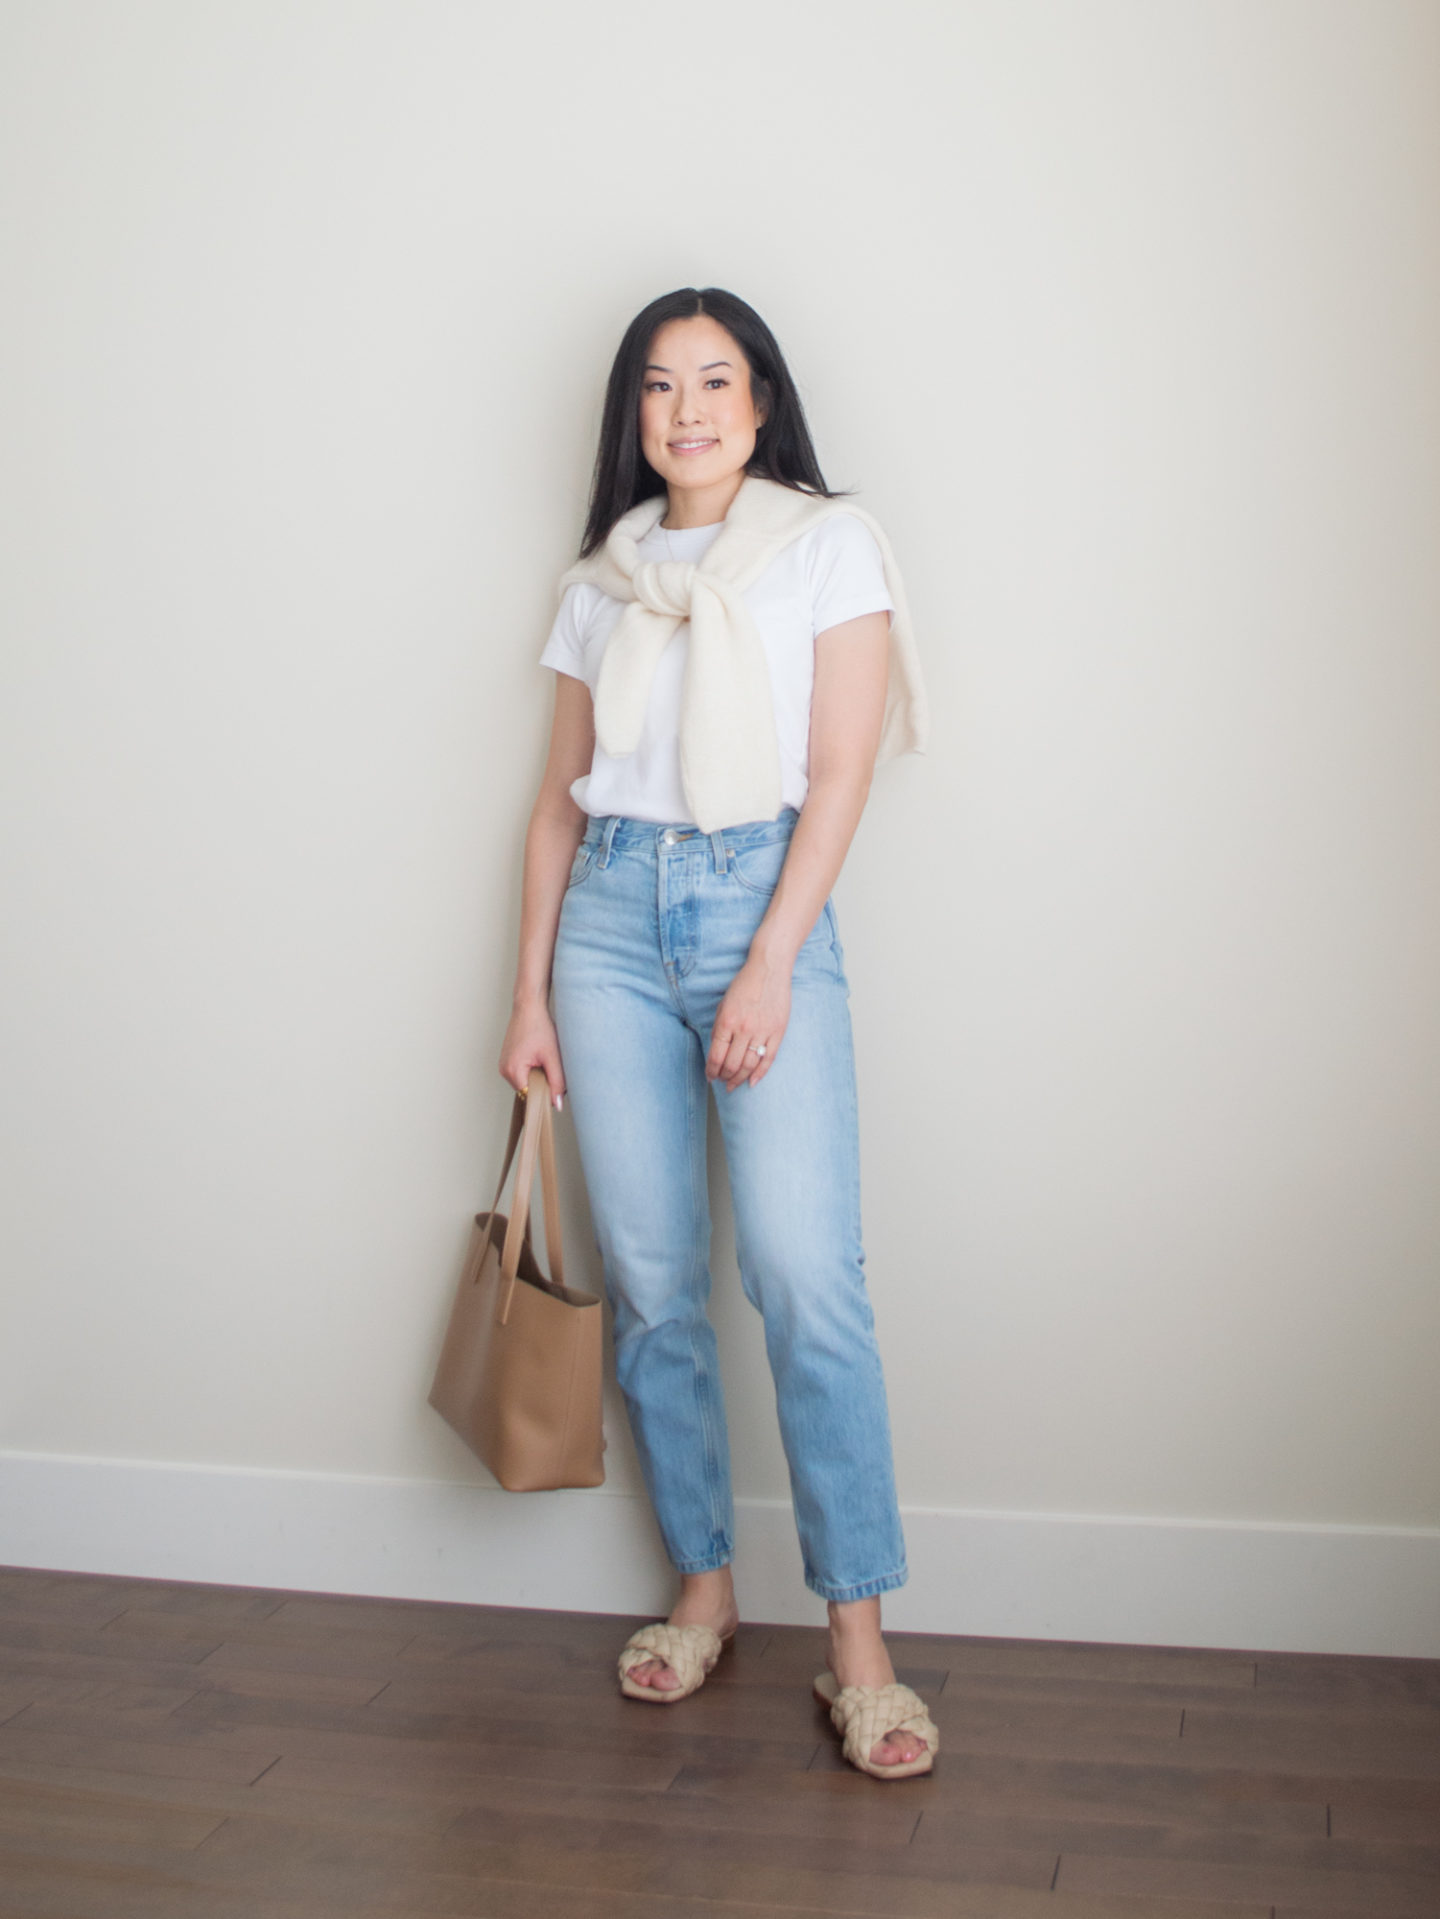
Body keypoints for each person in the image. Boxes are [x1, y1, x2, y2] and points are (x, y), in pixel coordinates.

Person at [499, 287, 937, 1779]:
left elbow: (836, 778)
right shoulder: (600, 582)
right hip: (612, 929)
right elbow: (561, 802)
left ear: (760, 407)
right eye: (660, 388)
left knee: (810, 1278)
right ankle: (704, 1586)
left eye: (716, 383)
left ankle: (860, 1650)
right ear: (635, 417)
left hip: (765, 904)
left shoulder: (827, 543)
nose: (687, 411)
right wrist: (527, 997)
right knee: (658, 1285)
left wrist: (769, 963)